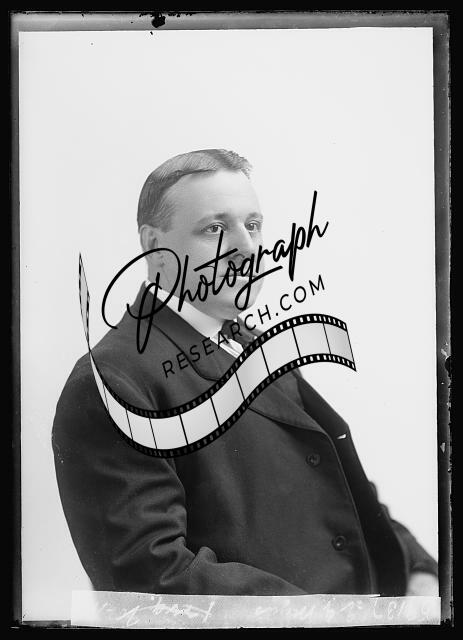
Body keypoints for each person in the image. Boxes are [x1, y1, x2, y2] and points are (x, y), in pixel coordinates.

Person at [52, 149, 438, 596]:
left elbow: (338, 487)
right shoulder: (112, 381)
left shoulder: (251, 343)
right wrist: (333, 618)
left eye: (253, 225)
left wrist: (418, 568)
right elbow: (152, 576)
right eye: (215, 229)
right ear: (154, 246)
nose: (250, 248)